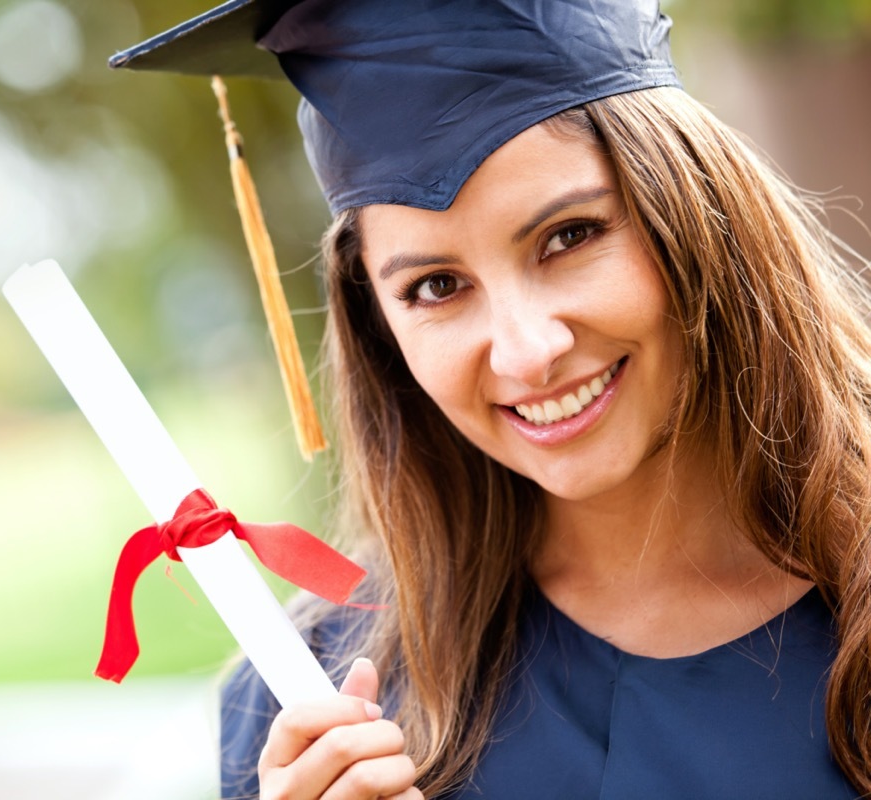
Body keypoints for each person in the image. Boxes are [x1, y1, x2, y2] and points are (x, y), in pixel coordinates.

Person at [113, 1, 871, 797]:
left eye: (570, 236)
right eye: (436, 286)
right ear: (381, 328)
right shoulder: (314, 706)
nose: (526, 351)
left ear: (698, 218)